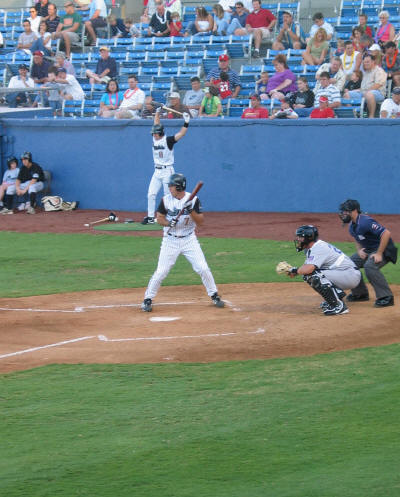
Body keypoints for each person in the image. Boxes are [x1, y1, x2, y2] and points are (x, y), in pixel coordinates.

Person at [141, 173, 225, 312]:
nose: (169, 187)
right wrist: (169, 222)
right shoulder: (166, 200)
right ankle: (147, 299)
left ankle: (214, 295)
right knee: (161, 271)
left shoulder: (193, 200)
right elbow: (160, 218)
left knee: (202, 268)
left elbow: (200, 222)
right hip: (170, 241)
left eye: (171, 185)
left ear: (179, 187)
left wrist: (190, 209)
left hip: (189, 240)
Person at [285, 225, 361, 315]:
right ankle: (335, 297)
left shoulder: (318, 248)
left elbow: (308, 269)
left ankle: (338, 306)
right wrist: (294, 271)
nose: (298, 239)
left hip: (350, 275)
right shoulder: (313, 248)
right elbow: (306, 267)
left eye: (300, 237)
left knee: (313, 275)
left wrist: (295, 270)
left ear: (308, 238)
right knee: (310, 274)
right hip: (345, 274)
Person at [339, 199, 397, 307]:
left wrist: (379, 253)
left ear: (355, 210)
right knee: (350, 264)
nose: (344, 213)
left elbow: (386, 233)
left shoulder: (365, 221)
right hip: (369, 249)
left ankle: (386, 297)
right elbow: (357, 238)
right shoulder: (352, 225)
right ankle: (360, 294)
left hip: (384, 249)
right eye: (343, 211)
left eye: (346, 211)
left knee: (370, 266)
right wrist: (359, 250)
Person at [141, 109, 190, 225]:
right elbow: (156, 124)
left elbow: (181, 134)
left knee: (167, 195)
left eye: (155, 133)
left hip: (167, 170)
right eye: (153, 133)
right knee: (151, 194)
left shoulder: (168, 140)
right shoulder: (155, 138)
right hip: (157, 171)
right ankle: (150, 217)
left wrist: (186, 122)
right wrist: (157, 113)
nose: (153, 135)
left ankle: (168, 216)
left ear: (160, 133)